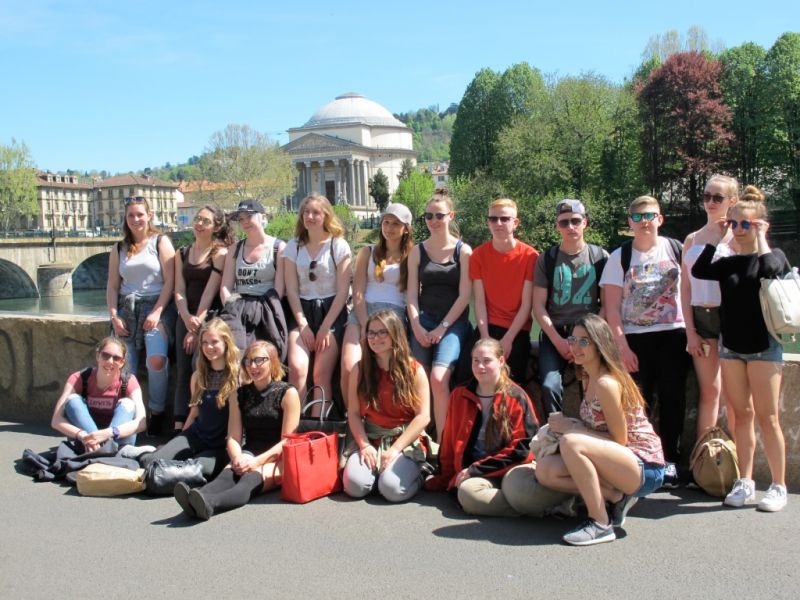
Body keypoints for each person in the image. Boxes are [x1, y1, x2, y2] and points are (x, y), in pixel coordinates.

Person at [691, 185, 788, 512]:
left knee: (768, 417)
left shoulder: (772, 256)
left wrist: (761, 238)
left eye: (746, 224)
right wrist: (718, 237)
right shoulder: (728, 263)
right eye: (734, 223)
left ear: (759, 225)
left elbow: (770, 269)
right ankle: (745, 481)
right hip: (732, 348)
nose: (739, 229)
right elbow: (699, 270)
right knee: (741, 415)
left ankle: (778, 485)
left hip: (764, 348)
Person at [536, 314, 666, 546]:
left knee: (571, 442)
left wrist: (572, 428)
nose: (575, 347)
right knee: (545, 470)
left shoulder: (606, 383)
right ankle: (616, 497)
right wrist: (570, 426)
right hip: (618, 461)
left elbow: (620, 439)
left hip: (644, 466)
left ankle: (600, 523)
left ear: (599, 344)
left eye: (584, 341)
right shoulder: (587, 375)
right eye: (573, 340)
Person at [599, 195, 688, 488]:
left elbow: (693, 292)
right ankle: (642, 461)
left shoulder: (676, 249)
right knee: (639, 403)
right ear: (630, 222)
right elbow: (611, 309)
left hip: (674, 334)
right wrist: (622, 347)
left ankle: (671, 459)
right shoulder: (619, 257)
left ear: (660, 219)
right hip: (635, 338)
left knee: (673, 398)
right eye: (637, 217)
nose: (644, 222)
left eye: (649, 216)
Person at [174, 341, 301, 520]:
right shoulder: (239, 394)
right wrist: (237, 458)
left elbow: (288, 441)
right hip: (249, 453)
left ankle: (209, 504)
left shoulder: (288, 393)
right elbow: (233, 437)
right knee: (225, 477)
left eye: (259, 360)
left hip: (278, 458)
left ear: (272, 362)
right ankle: (194, 500)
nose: (253, 366)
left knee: (247, 482)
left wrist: (256, 462)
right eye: (248, 361)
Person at [426, 338, 540, 516]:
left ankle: (527, 503)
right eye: (476, 361)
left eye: (487, 361)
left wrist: (476, 469)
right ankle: (529, 506)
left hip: (509, 469)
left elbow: (524, 448)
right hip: (474, 474)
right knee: (467, 493)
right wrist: (445, 478)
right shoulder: (459, 395)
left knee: (507, 488)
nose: (480, 366)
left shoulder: (516, 396)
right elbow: (448, 441)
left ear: (501, 361)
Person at [343, 310, 431, 502]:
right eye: (371, 333)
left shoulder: (414, 370)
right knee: (354, 486)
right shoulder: (359, 369)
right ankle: (377, 475)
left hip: (404, 440)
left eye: (383, 332)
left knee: (391, 490)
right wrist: (364, 445)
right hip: (371, 438)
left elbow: (423, 416)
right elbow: (354, 413)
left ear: (395, 334)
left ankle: (418, 474)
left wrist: (395, 449)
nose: (376, 338)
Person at [407, 189, 472, 440]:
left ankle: (444, 444)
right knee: (418, 377)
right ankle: (421, 438)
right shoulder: (418, 252)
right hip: (424, 319)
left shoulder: (463, 251)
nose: (433, 221)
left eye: (439, 216)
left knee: (438, 377)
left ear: (450, 216)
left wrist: (442, 327)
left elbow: (465, 296)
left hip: (453, 322)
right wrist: (417, 326)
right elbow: (411, 296)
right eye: (428, 216)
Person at [107, 195, 175, 434]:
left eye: (140, 214)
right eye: (131, 215)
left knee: (156, 360)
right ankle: (130, 415)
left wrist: (157, 311)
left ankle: (157, 411)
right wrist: (114, 316)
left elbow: (170, 281)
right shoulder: (119, 248)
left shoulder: (161, 242)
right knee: (125, 366)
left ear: (149, 216)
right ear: (125, 219)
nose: (135, 219)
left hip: (157, 306)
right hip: (127, 309)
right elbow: (112, 285)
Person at [532, 199, 608, 416]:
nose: (570, 227)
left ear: (585, 222)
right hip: (556, 333)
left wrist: (588, 338)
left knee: (594, 386)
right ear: (557, 226)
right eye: (564, 222)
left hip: (590, 334)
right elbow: (538, 306)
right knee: (549, 385)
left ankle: (591, 430)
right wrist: (559, 341)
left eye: (575, 221)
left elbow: (607, 305)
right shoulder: (547, 259)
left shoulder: (601, 257)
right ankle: (555, 430)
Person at [141, 318, 238, 478]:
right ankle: (137, 453)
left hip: (221, 444)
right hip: (196, 436)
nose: (209, 347)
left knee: (194, 471)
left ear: (226, 342)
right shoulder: (198, 377)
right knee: (152, 462)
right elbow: (194, 413)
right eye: (204, 343)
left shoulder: (237, 377)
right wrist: (179, 440)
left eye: (214, 342)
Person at [681, 175, 738, 440]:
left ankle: (740, 459)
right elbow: (685, 287)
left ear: (732, 201)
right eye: (706, 196)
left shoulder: (738, 235)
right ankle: (703, 456)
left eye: (717, 197)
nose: (710, 202)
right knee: (710, 391)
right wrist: (690, 331)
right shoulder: (692, 239)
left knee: (735, 395)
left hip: (731, 316)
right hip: (701, 317)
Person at [340, 203, 413, 410]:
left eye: (395, 224)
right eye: (386, 222)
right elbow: (358, 292)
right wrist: (365, 325)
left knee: (385, 369)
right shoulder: (368, 252)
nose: (389, 228)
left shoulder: (413, 255)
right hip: (363, 312)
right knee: (349, 366)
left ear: (406, 228)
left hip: (393, 317)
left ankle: (380, 415)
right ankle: (351, 416)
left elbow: (413, 295)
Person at [284, 192, 351, 407]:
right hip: (301, 311)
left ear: (326, 216)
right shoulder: (293, 246)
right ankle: (295, 422)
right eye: (306, 212)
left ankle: (317, 423)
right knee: (296, 369)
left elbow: (343, 291)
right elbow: (291, 290)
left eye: (315, 213)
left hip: (331, 311)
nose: (310, 217)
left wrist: (325, 327)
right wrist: (303, 324)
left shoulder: (338, 245)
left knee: (320, 374)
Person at [173, 205, 233, 434]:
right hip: (186, 315)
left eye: (205, 221)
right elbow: (179, 289)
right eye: (197, 219)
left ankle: (198, 420)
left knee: (198, 367)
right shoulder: (182, 253)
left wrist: (195, 326)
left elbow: (210, 292)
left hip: (208, 317)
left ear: (216, 227)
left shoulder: (219, 253)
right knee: (182, 371)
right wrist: (185, 316)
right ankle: (179, 424)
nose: (199, 223)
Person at [471, 198, 539, 387]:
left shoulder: (530, 256)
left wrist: (508, 339)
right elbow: (479, 302)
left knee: (512, 383)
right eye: (493, 219)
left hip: (517, 330)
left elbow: (527, 305)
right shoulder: (478, 255)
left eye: (504, 219)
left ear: (515, 223)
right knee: (465, 378)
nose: (498, 223)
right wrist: (485, 338)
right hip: (487, 326)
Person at [218, 199, 287, 358]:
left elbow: (279, 289)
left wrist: (262, 310)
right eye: (241, 219)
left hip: (267, 308)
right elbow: (225, 286)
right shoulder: (235, 249)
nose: (244, 222)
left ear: (263, 217)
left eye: (249, 217)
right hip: (238, 307)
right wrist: (231, 306)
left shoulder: (278, 248)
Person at [51, 336, 146, 450]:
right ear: (98, 356)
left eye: (116, 358)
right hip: (87, 440)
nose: (110, 361)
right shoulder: (80, 378)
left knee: (128, 403)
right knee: (72, 399)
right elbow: (56, 420)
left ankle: (106, 448)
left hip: (117, 439)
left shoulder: (128, 381)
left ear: (122, 362)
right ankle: (102, 449)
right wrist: (82, 435)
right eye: (105, 355)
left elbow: (141, 423)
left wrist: (108, 433)